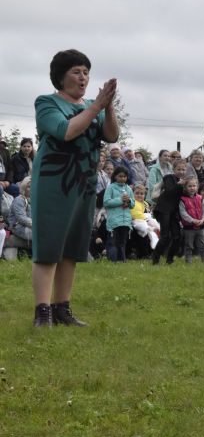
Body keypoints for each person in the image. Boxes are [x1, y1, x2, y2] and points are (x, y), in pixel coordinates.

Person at [31, 49, 118, 327]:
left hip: (84, 184)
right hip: (53, 184)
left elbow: (112, 135)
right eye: (76, 72)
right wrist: (95, 107)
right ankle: (42, 311)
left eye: (86, 72)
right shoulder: (47, 103)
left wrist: (108, 106)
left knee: (72, 248)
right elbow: (65, 131)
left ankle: (62, 308)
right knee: (49, 246)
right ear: (61, 76)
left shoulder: (94, 104)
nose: (83, 78)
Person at [152, 158, 186, 265]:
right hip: (163, 209)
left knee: (177, 236)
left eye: (183, 170)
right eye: (179, 169)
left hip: (174, 211)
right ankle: (155, 259)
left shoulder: (183, 181)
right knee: (165, 236)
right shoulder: (168, 177)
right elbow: (169, 191)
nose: (181, 172)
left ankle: (170, 259)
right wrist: (179, 185)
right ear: (174, 169)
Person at [103, 166, 135, 262]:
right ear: (115, 176)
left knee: (122, 242)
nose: (122, 178)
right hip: (114, 221)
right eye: (120, 176)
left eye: (124, 176)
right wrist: (120, 200)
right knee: (112, 242)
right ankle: (112, 261)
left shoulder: (128, 188)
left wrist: (129, 201)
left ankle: (122, 261)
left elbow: (133, 204)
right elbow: (106, 202)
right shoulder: (110, 188)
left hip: (125, 221)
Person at [130, 184, 160, 250]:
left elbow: (148, 214)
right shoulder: (132, 202)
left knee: (154, 225)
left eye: (142, 194)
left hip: (145, 220)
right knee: (144, 232)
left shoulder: (145, 203)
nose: (139, 195)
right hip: (135, 221)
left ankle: (157, 230)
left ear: (145, 195)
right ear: (133, 194)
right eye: (137, 193)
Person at [9, 177, 33, 244]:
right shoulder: (19, 199)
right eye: (29, 187)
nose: (31, 189)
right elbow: (21, 218)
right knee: (41, 235)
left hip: (30, 226)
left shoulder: (33, 200)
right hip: (19, 227)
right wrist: (36, 225)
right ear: (24, 187)